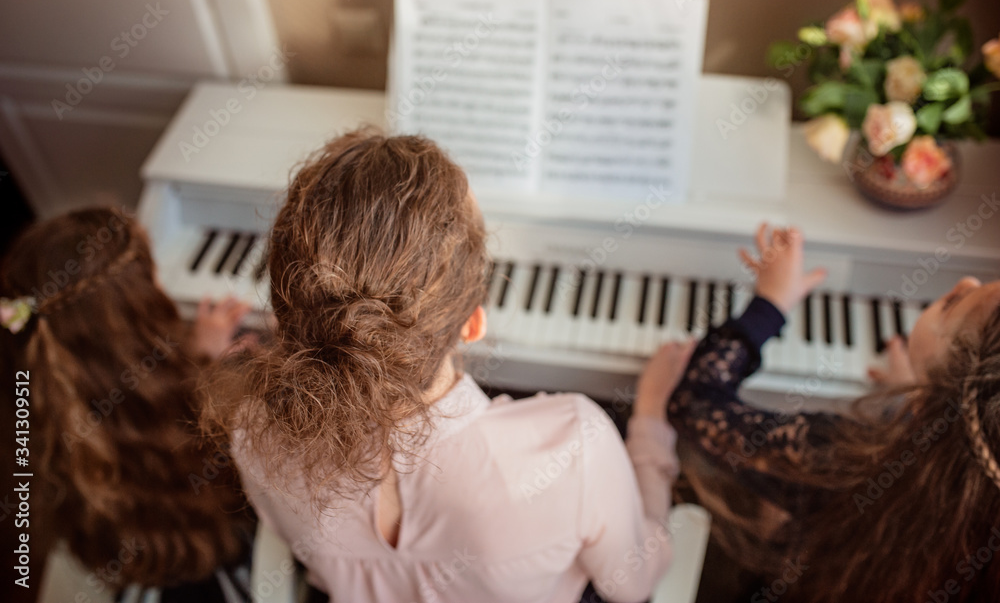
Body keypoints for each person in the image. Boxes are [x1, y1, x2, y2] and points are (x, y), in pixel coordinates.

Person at [201, 130, 684, 603]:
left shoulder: (251, 429)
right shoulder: (574, 445)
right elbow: (633, 583)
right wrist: (650, 425)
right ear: (473, 325)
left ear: (285, 315)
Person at [648, 223, 1000, 602]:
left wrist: (770, 303)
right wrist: (918, 398)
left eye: (952, 306)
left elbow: (695, 403)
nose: (965, 280)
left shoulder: (848, 463)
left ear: (956, 390)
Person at [0, 207, 253, 599]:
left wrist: (198, 353)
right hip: (200, 565)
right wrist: (207, 371)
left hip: (124, 557)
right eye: (152, 281)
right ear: (140, 317)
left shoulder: (34, 421)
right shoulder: (197, 421)